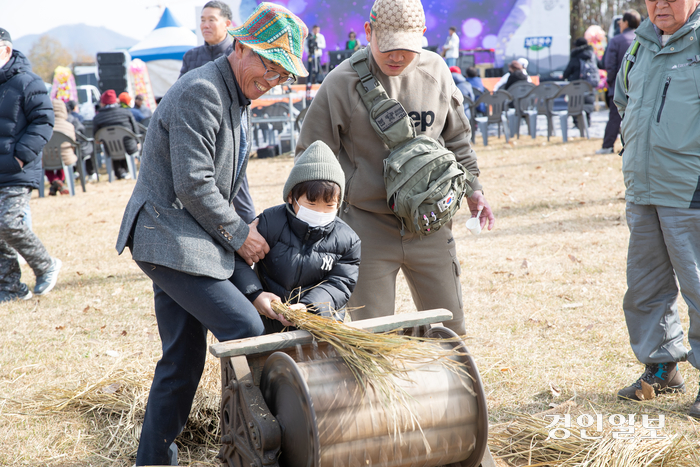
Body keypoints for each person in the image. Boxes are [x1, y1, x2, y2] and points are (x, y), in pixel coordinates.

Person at [114, 4, 308, 464]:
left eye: (282, 74)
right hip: (167, 237)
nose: (273, 80)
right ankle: (260, 443)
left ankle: (154, 459)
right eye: (269, 66)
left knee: (181, 359)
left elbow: (233, 182)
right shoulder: (202, 89)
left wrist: (256, 227)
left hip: (187, 236)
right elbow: (194, 182)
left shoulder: (235, 98)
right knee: (244, 327)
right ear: (241, 47)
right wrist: (240, 235)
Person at [295, 0, 495, 335]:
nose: (396, 57)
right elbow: (311, 156)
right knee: (373, 338)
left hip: (429, 223)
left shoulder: (437, 71)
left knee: (451, 330)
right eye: (387, 47)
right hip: (366, 227)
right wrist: (318, 223)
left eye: (406, 48)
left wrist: (475, 191)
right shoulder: (341, 82)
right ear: (368, 32)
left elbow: (458, 139)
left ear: (423, 35)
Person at [614, 0, 700, 419]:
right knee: (645, 284)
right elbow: (621, 100)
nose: (660, 4)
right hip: (643, 186)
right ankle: (662, 367)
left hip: (690, 188)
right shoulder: (640, 44)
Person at [232, 140, 361, 334]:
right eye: (311, 203)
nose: (320, 212)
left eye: (329, 206)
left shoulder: (348, 241)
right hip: (269, 322)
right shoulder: (269, 222)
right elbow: (238, 259)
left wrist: (309, 307)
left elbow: (340, 283)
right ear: (291, 197)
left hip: (318, 325)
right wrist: (255, 294)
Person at [178, 0, 256, 224]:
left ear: (227, 24)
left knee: (240, 194)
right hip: (198, 133)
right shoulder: (191, 57)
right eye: (202, 20)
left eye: (212, 19)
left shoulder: (240, 52)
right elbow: (180, 93)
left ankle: (252, 239)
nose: (205, 25)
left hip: (230, 130)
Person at [0, 28, 62, 302]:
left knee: (7, 223)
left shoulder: (27, 82)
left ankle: (46, 265)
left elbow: (44, 121)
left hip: (16, 169)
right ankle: (10, 288)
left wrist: (20, 156)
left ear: (6, 50)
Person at [596, 10, 640, 155]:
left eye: (621, 21)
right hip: (641, 87)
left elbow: (610, 66)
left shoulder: (616, 40)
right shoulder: (644, 40)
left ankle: (608, 146)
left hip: (619, 87)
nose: (619, 24)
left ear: (626, 22)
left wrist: (610, 84)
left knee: (615, 118)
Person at [93, 90, 139, 180]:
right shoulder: (126, 113)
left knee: (111, 145)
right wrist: (137, 142)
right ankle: (125, 172)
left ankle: (121, 173)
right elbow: (136, 132)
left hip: (111, 150)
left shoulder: (97, 118)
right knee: (127, 143)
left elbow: (97, 138)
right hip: (129, 147)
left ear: (103, 102)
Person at [45, 99, 77, 195]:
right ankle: (59, 182)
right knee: (63, 162)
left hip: (47, 158)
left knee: (46, 163)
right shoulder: (69, 126)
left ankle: (54, 182)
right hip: (65, 156)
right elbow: (73, 144)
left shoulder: (44, 127)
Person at [65, 100, 97, 182]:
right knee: (89, 147)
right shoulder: (77, 118)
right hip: (77, 148)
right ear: (75, 107)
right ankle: (91, 173)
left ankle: (74, 171)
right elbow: (82, 132)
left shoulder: (52, 122)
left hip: (60, 151)